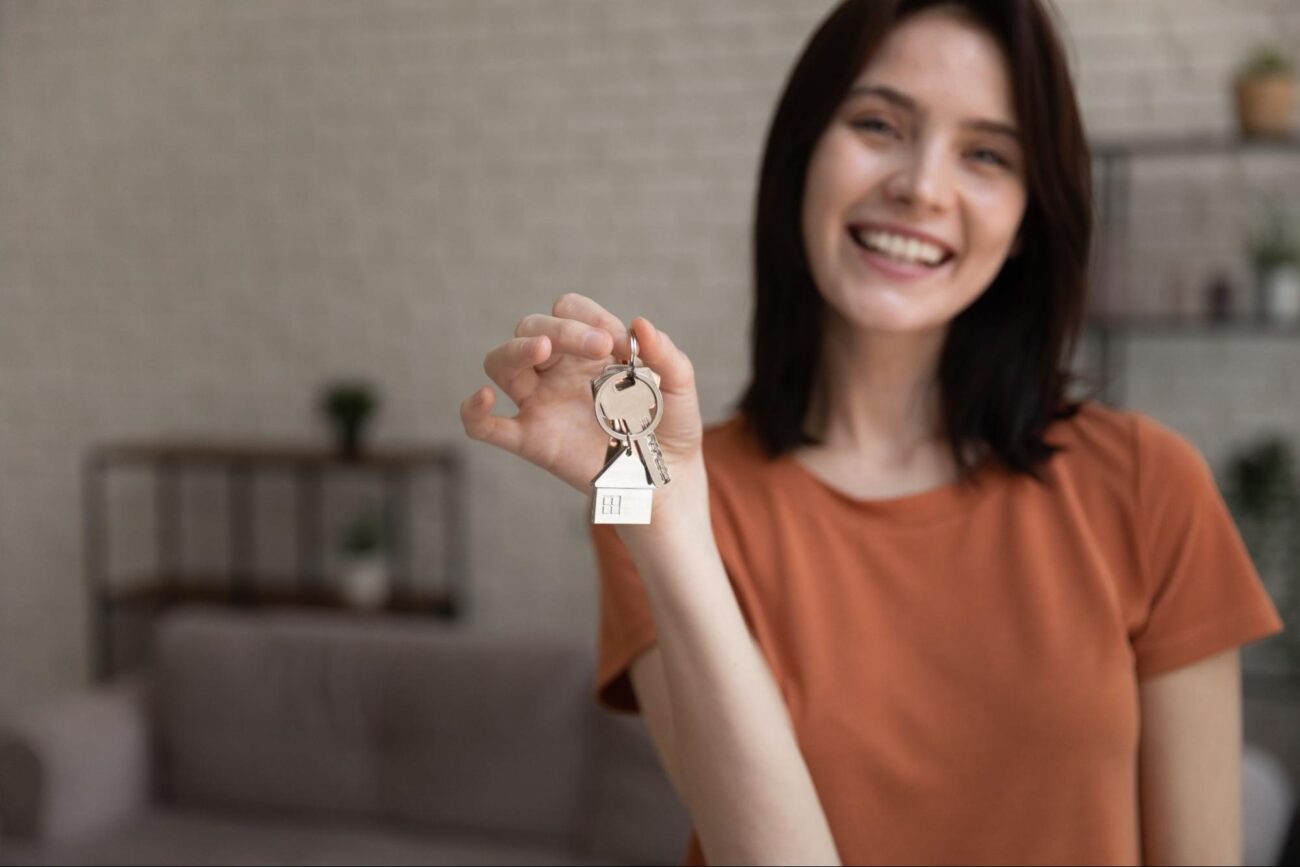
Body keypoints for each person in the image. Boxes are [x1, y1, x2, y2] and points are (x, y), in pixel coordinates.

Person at [461, 0, 1285, 863]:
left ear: (1023, 225)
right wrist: (670, 529)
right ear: (802, 159)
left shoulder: (1150, 484)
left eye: (986, 154)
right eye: (879, 124)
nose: (922, 186)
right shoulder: (667, 494)